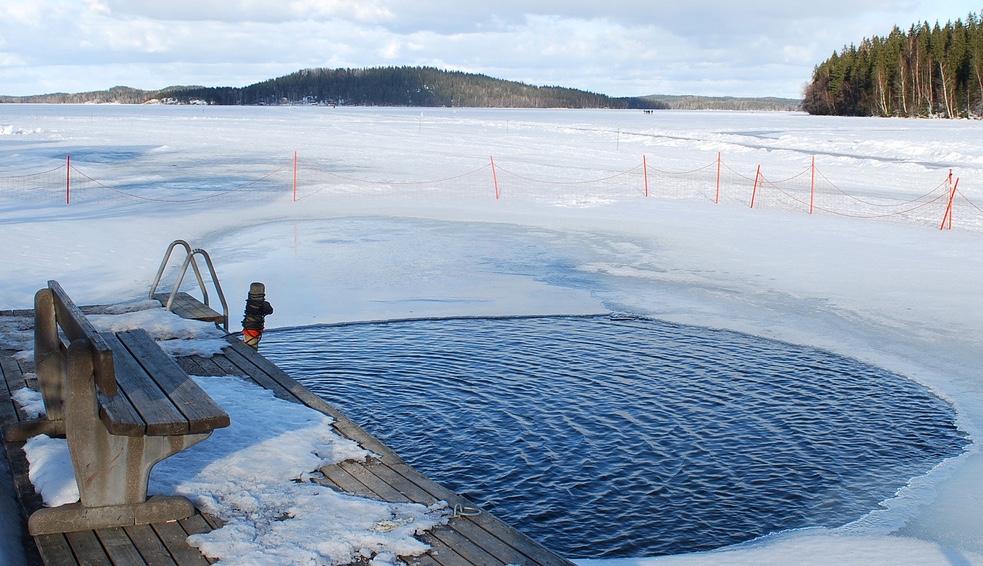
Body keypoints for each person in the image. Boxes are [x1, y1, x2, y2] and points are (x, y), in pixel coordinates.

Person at [241, 282, 273, 350]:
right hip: (252, 327)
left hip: (251, 325)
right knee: (251, 345)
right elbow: (269, 311)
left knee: (251, 331)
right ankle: (250, 352)